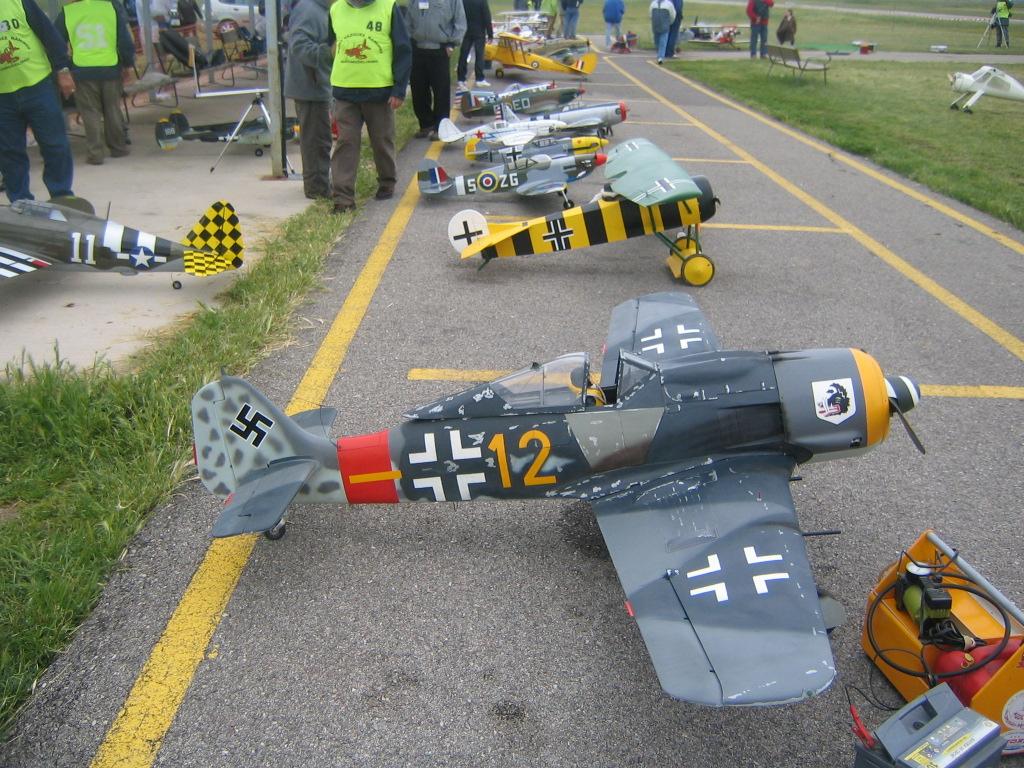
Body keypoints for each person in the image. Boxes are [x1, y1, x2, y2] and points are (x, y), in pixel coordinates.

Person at [328, 0, 411, 212]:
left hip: (379, 91)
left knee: (382, 140)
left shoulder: (388, 7)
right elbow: (332, 45)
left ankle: (387, 181)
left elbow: (403, 49)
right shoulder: (336, 9)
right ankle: (343, 198)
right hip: (345, 90)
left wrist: (399, 89)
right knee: (346, 143)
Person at [0, 0, 76, 202]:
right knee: (9, 153)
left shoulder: (19, 2)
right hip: (3, 98)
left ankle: (61, 195)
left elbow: (49, 34)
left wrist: (63, 69)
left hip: (38, 86)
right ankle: (21, 202)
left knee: (55, 145)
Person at [55, 0, 135, 166]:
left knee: (90, 112)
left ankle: (95, 154)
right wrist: (127, 64)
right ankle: (118, 148)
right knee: (112, 109)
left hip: (82, 71)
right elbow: (124, 41)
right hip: (110, 68)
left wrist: (64, 67)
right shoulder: (110, 8)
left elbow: (55, 42)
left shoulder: (67, 12)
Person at [284, 0, 333, 199]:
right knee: (315, 140)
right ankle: (317, 188)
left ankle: (319, 184)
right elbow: (299, 46)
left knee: (320, 138)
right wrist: (329, 52)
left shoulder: (321, 9)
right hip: (310, 87)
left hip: (317, 85)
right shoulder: (309, 10)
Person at [405, 0, 465, 140]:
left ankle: (440, 128)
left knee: (441, 91)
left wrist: (452, 43)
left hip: (440, 49)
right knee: (418, 90)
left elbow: (460, 22)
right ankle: (426, 125)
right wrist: (409, 40)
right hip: (418, 49)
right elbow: (408, 20)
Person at [456, 0, 493, 90]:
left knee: (464, 54)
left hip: (466, 31)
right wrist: (490, 33)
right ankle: (479, 78)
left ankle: (461, 78)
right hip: (479, 31)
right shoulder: (482, 1)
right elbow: (486, 16)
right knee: (479, 55)